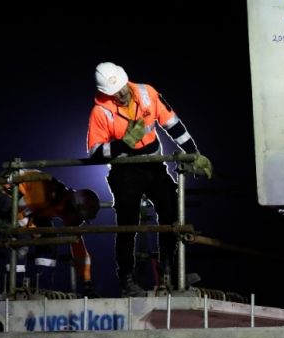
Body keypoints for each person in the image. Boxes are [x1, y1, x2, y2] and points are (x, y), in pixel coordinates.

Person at [86, 62, 212, 296]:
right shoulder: (100, 112)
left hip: (154, 167)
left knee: (171, 213)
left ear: (127, 80)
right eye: (114, 93)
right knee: (127, 225)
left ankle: (170, 272)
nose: (121, 95)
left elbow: (172, 125)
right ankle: (127, 280)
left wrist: (193, 153)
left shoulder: (147, 93)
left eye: (123, 88)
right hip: (125, 172)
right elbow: (94, 152)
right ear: (104, 93)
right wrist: (122, 144)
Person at [0, 169, 100, 295]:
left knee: (49, 239)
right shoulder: (45, 194)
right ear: (71, 209)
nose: (78, 222)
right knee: (21, 237)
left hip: (31, 206)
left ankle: (43, 290)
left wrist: (88, 284)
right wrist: (32, 228)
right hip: (9, 191)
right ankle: (15, 288)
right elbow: (17, 213)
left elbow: (79, 249)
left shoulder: (66, 207)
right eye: (79, 219)